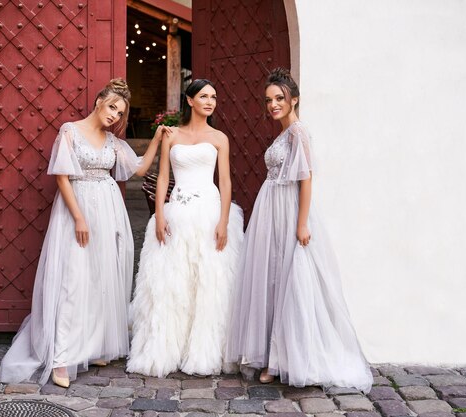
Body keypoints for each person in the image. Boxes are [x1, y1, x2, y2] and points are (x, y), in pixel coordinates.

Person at [0, 79, 166, 388]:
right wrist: (79, 218)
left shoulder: (112, 142)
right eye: (112, 106)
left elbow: (139, 168)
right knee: (73, 279)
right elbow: (62, 177)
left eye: (120, 112)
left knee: (101, 276)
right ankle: (62, 356)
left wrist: (156, 137)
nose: (115, 115)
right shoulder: (70, 131)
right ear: (99, 100)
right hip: (77, 209)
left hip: (109, 211)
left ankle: (93, 345)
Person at [225, 68, 373, 392]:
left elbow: (306, 179)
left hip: (288, 210)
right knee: (272, 278)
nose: (273, 105)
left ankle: (282, 359)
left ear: (294, 99)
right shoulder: (284, 133)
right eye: (268, 100)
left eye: (279, 98)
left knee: (290, 279)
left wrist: (302, 222)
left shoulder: (298, 132)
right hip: (270, 210)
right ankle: (270, 355)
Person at [127, 79, 244, 377]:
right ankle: (168, 347)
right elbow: (163, 177)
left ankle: (203, 350)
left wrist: (223, 220)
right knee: (171, 283)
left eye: (214, 97)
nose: (210, 101)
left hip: (209, 213)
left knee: (207, 283)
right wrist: (160, 214)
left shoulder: (220, 138)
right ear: (189, 101)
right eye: (204, 96)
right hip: (176, 211)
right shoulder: (172, 135)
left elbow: (226, 181)